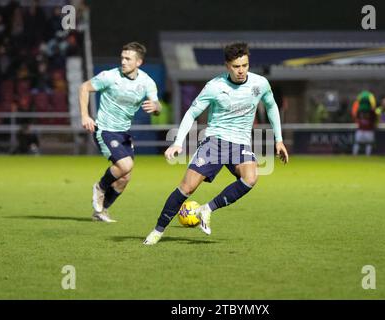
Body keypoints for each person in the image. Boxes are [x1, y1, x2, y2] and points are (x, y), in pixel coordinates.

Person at [143, 42, 289, 245]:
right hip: (216, 141)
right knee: (187, 187)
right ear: (227, 65)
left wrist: (279, 140)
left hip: (241, 144)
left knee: (250, 178)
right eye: (236, 66)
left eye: (245, 65)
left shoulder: (260, 84)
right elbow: (192, 112)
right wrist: (177, 143)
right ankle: (157, 230)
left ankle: (207, 209)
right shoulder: (215, 86)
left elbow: (272, 106)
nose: (241, 71)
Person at [79, 42, 161, 222]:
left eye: (128, 59)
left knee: (124, 178)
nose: (123, 62)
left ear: (138, 62)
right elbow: (84, 87)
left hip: (123, 133)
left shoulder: (147, 82)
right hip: (105, 130)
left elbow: (158, 107)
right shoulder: (109, 76)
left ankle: (101, 211)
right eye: (122, 58)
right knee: (125, 166)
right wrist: (85, 116)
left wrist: (155, 107)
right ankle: (100, 187)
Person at [352, 90, 378, 156]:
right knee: (357, 142)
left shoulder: (372, 112)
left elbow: (375, 118)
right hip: (361, 129)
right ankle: (354, 155)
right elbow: (355, 116)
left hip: (369, 130)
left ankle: (368, 155)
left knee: (369, 143)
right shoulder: (359, 111)